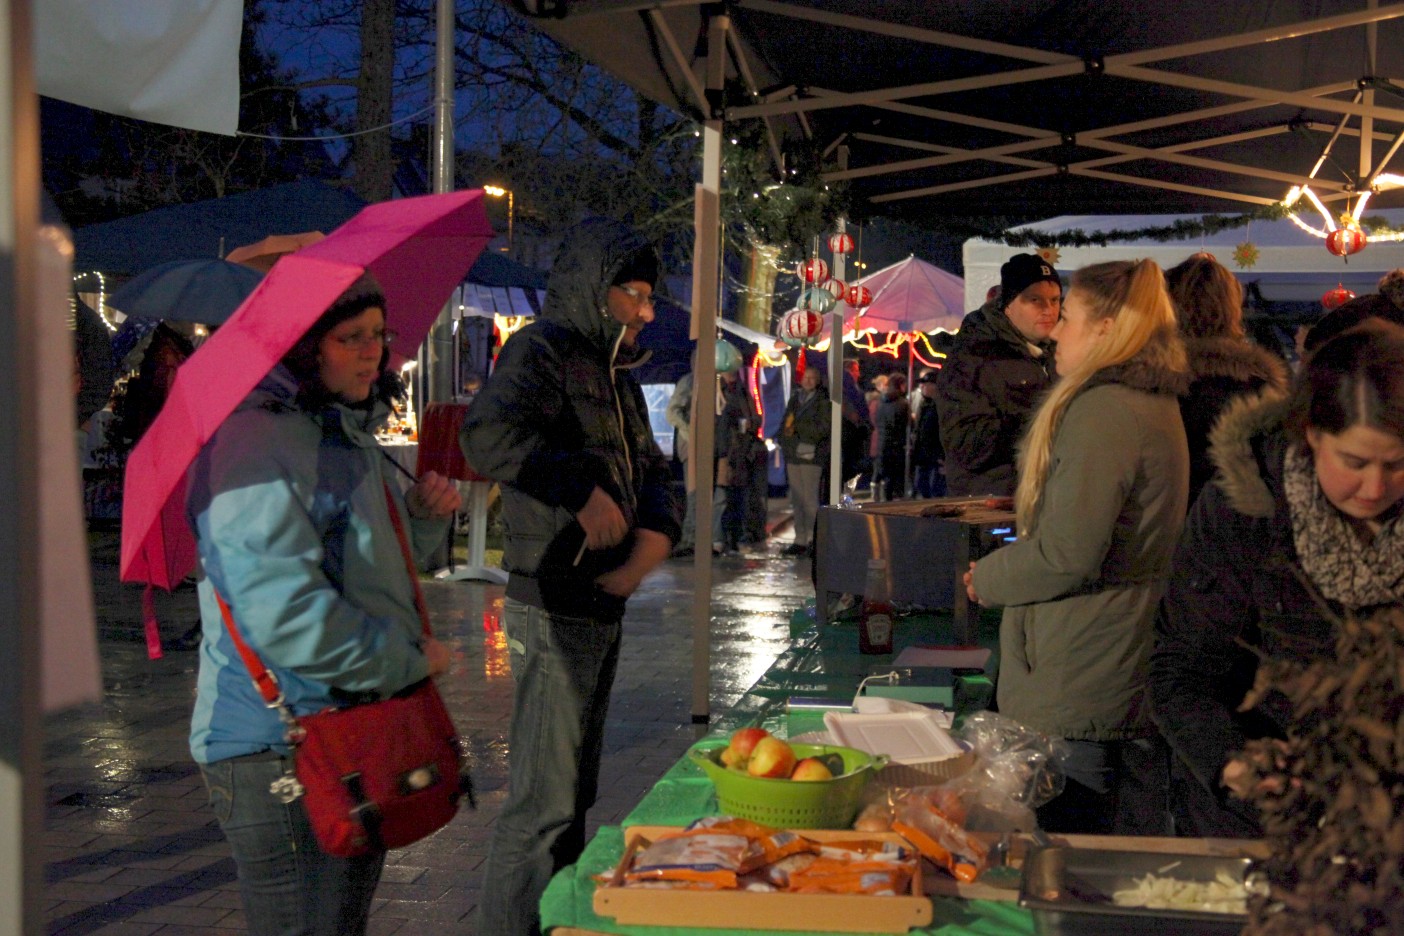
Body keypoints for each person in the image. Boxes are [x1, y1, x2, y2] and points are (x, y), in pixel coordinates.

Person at [186, 275, 460, 936]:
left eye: (379, 336)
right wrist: (404, 660)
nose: (373, 353)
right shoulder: (257, 443)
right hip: (275, 744)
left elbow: (366, 573)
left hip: (343, 724)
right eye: (350, 338)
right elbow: (281, 610)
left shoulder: (336, 431)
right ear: (305, 347)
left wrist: (421, 524)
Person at [460, 219, 682, 936]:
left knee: (572, 795)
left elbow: (652, 469)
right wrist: (580, 494)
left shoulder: (612, 372)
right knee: (542, 803)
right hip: (551, 602)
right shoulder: (541, 350)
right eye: (637, 296)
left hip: (597, 604)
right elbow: (488, 434)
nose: (647, 312)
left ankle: (554, 922)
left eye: (650, 298)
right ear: (598, 290)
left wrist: (653, 536)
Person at [1149, 320, 1404, 838]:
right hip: (1264, 821)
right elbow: (1180, 671)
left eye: (1397, 464)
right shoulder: (1246, 511)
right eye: (1355, 462)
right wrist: (1232, 760)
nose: (1375, 487)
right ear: (1312, 434)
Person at [965, 259, 1190, 835]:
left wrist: (985, 579)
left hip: (1083, 669)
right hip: (1105, 656)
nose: (1056, 329)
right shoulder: (1142, 402)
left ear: (1107, 328)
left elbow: (1067, 552)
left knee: (1071, 852)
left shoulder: (1106, 410)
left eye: (1068, 316)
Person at [1165, 252, 1289, 509]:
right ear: (1232, 308)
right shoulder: (1258, 388)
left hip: (1164, 525)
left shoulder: (1156, 382)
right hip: (1233, 529)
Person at [937, 253, 1060, 497]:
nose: (1049, 310)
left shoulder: (1061, 354)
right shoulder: (974, 357)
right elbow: (964, 443)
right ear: (1009, 305)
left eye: (1055, 300)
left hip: (1047, 500)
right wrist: (1044, 421)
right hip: (992, 504)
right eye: (1035, 300)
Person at [779, 363, 828, 556]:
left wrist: (800, 431)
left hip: (811, 456)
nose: (808, 381)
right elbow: (785, 423)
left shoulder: (822, 401)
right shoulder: (795, 399)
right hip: (793, 455)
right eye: (805, 377)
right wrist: (785, 440)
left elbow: (823, 427)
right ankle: (799, 538)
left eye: (812, 378)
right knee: (797, 499)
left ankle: (813, 539)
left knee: (810, 499)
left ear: (817, 381)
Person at [873, 372, 910, 500]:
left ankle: (881, 498)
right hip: (896, 444)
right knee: (893, 476)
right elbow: (905, 424)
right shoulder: (902, 404)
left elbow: (877, 420)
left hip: (882, 441)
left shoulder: (881, 402)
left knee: (884, 472)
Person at [911, 370, 946, 498]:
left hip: (935, 456)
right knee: (922, 487)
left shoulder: (939, 405)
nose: (922, 387)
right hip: (923, 455)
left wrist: (941, 455)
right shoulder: (925, 404)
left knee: (934, 489)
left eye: (925, 384)